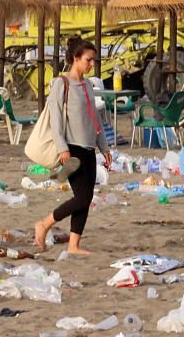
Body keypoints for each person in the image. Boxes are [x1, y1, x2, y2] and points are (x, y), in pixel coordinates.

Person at [34, 37, 111, 255]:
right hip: (72, 148)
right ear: (76, 59)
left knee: (86, 199)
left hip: (89, 148)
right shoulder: (61, 83)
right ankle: (44, 224)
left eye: (93, 61)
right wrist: (62, 148)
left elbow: (94, 117)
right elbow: (56, 119)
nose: (90, 65)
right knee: (82, 197)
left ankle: (73, 245)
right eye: (88, 60)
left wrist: (104, 147)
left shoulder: (87, 84)